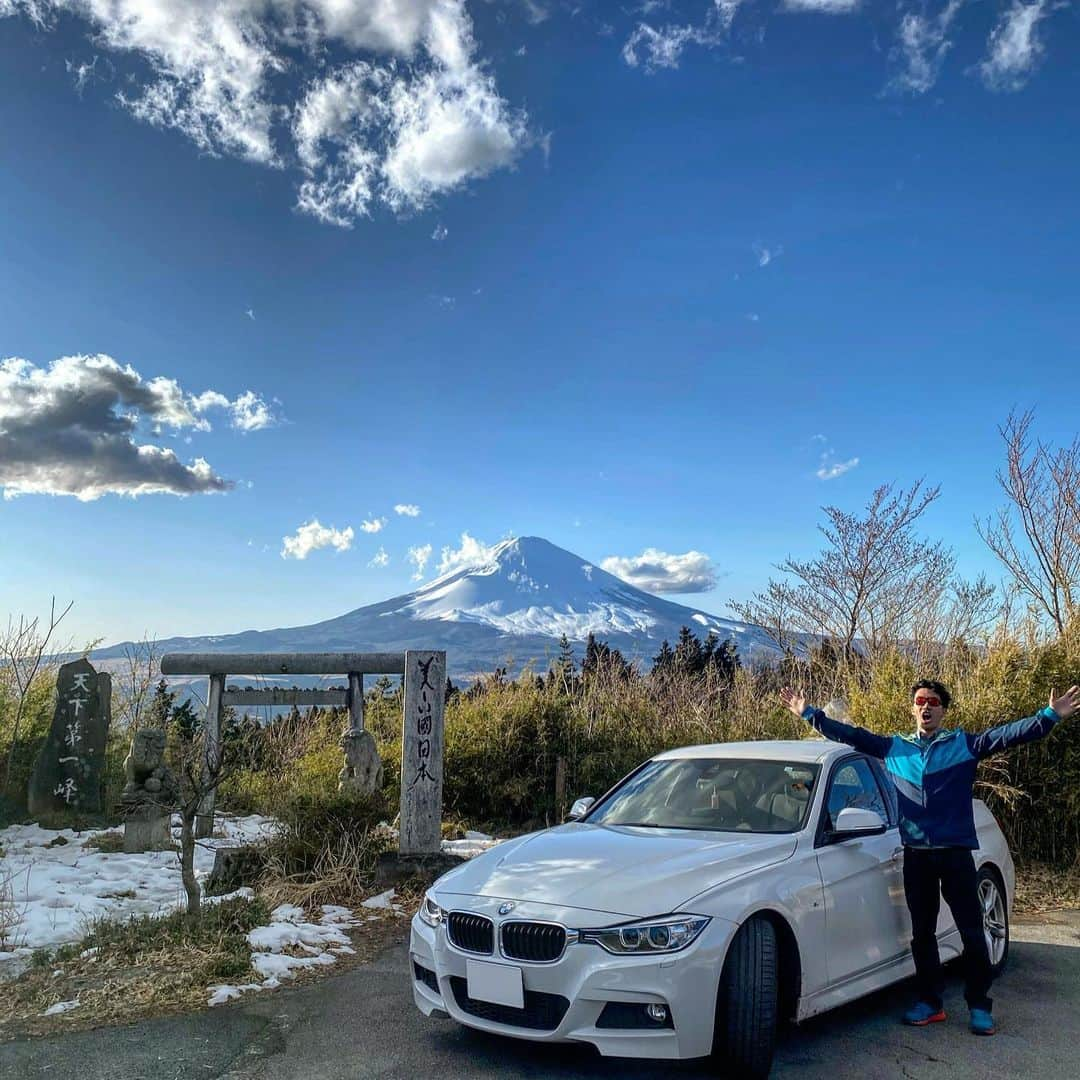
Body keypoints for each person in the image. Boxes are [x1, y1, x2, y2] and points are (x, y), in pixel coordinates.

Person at [779, 680, 1079, 1036]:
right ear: (913, 708)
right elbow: (851, 735)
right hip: (916, 857)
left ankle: (980, 1005)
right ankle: (930, 1002)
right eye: (920, 701)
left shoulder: (962, 745)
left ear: (943, 709)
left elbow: (1007, 736)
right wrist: (810, 714)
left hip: (955, 856)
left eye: (933, 702)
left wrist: (1049, 716)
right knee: (922, 935)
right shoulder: (894, 748)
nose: (926, 707)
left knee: (972, 932)